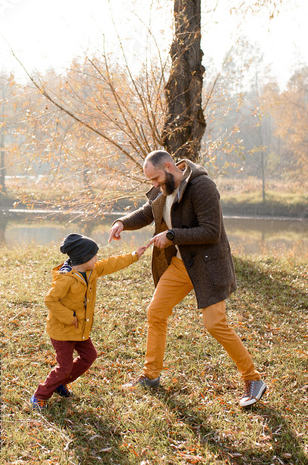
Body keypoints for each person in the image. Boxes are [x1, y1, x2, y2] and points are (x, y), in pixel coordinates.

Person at [108, 150, 267, 408]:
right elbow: (149, 211)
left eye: (156, 179)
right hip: (181, 266)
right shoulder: (166, 188)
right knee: (156, 312)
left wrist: (172, 236)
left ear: (170, 167)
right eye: (151, 181)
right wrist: (122, 223)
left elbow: (211, 231)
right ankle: (150, 376)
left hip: (208, 268)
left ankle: (253, 379)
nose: (155, 185)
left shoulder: (202, 187)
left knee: (215, 324)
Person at [30, 233, 147, 411]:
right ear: (84, 258)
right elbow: (50, 300)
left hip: (81, 329)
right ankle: (41, 395)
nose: (97, 258)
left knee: (89, 356)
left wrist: (134, 255)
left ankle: (60, 384)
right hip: (63, 331)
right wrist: (69, 317)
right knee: (64, 367)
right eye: (94, 255)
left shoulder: (91, 270)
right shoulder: (66, 278)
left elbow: (111, 264)